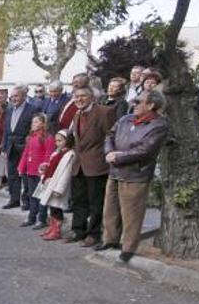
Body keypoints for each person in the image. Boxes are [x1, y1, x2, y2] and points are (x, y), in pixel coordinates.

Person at [97, 90, 168, 262]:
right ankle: (110, 240)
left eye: (138, 101)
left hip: (135, 173)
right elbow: (110, 135)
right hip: (115, 171)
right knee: (110, 210)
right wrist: (109, 152)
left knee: (132, 215)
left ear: (151, 105)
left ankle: (128, 247)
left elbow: (145, 150)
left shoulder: (159, 125)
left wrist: (118, 156)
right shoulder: (125, 119)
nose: (133, 104)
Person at [67, 87, 118, 247]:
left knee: (95, 202)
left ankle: (94, 234)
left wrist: (108, 156)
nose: (79, 99)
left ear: (92, 97)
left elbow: (111, 136)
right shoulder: (77, 114)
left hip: (97, 164)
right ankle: (78, 231)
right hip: (79, 165)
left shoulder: (105, 112)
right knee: (78, 200)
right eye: (76, 97)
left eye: (83, 96)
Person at [17, 114, 56, 228]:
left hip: (41, 172)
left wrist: (45, 169)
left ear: (43, 124)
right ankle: (31, 217)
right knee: (31, 194)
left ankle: (42, 219)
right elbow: (25, 153)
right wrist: (21, 167)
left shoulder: (48, 138)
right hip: (30, 170)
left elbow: (48, 154)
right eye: (32, 122)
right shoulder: (31, 137)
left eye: (36, 122)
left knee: (41, 195)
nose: (33, 124)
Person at [38, 130, 76, 241]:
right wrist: (45, 167)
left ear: (67, 140)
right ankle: (52, 227)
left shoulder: (69, 154)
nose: (57, 143)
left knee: (56, 209)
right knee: (52, 208)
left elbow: (66, 173)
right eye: (56, 141)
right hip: (50, 183)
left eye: (60, 140)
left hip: (57, 186)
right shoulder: (56, 153)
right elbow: (52, 166)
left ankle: (57, 231)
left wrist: (60, 189)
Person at [2, 85, 34, 208]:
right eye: (12, 96)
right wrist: (4, 145)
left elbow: (34, 129)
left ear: (24, 96)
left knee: (25, 175)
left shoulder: (32, 109)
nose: (14, 98)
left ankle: (26, 201)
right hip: (11, 146)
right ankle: (14, 200)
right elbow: (6, 129)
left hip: (24, 147)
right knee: (12, 175)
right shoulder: (9, 109)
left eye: (16, 96)